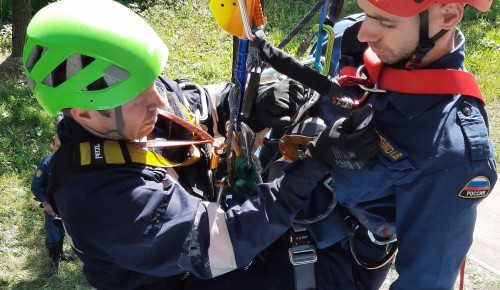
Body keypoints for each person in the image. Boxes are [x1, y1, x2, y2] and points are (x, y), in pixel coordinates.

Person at [22, 0, 379, 289]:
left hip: (208, 224)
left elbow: (194, 102)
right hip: (183, 270)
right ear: (84, 115)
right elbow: (221, 244)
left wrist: (259, 100)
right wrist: (312, 166)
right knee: (337, 276)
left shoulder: (123, 103)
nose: (158, 102)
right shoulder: (102, 201)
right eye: (139, 98)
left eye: (152, 83)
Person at [186, 0, 498, 289]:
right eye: (366, 10)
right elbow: (308, 79)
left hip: (314, 262)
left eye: (385, 22)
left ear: (447, 16)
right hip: (254, 205)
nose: (365, 32)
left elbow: (426, 280)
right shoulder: (350, 37)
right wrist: (273, 99)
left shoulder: (452, 153)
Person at [31, 134, 74, 275]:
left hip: (67, 205)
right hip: (52, 206)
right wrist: (45, 202)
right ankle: (53, 263)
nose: (61, 150)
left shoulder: (73, 161)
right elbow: (35, 186)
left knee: (63, 231)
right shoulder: (46, 163)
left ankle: (60, 253)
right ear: (53, 146)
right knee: (53, 235)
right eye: (58, 146)